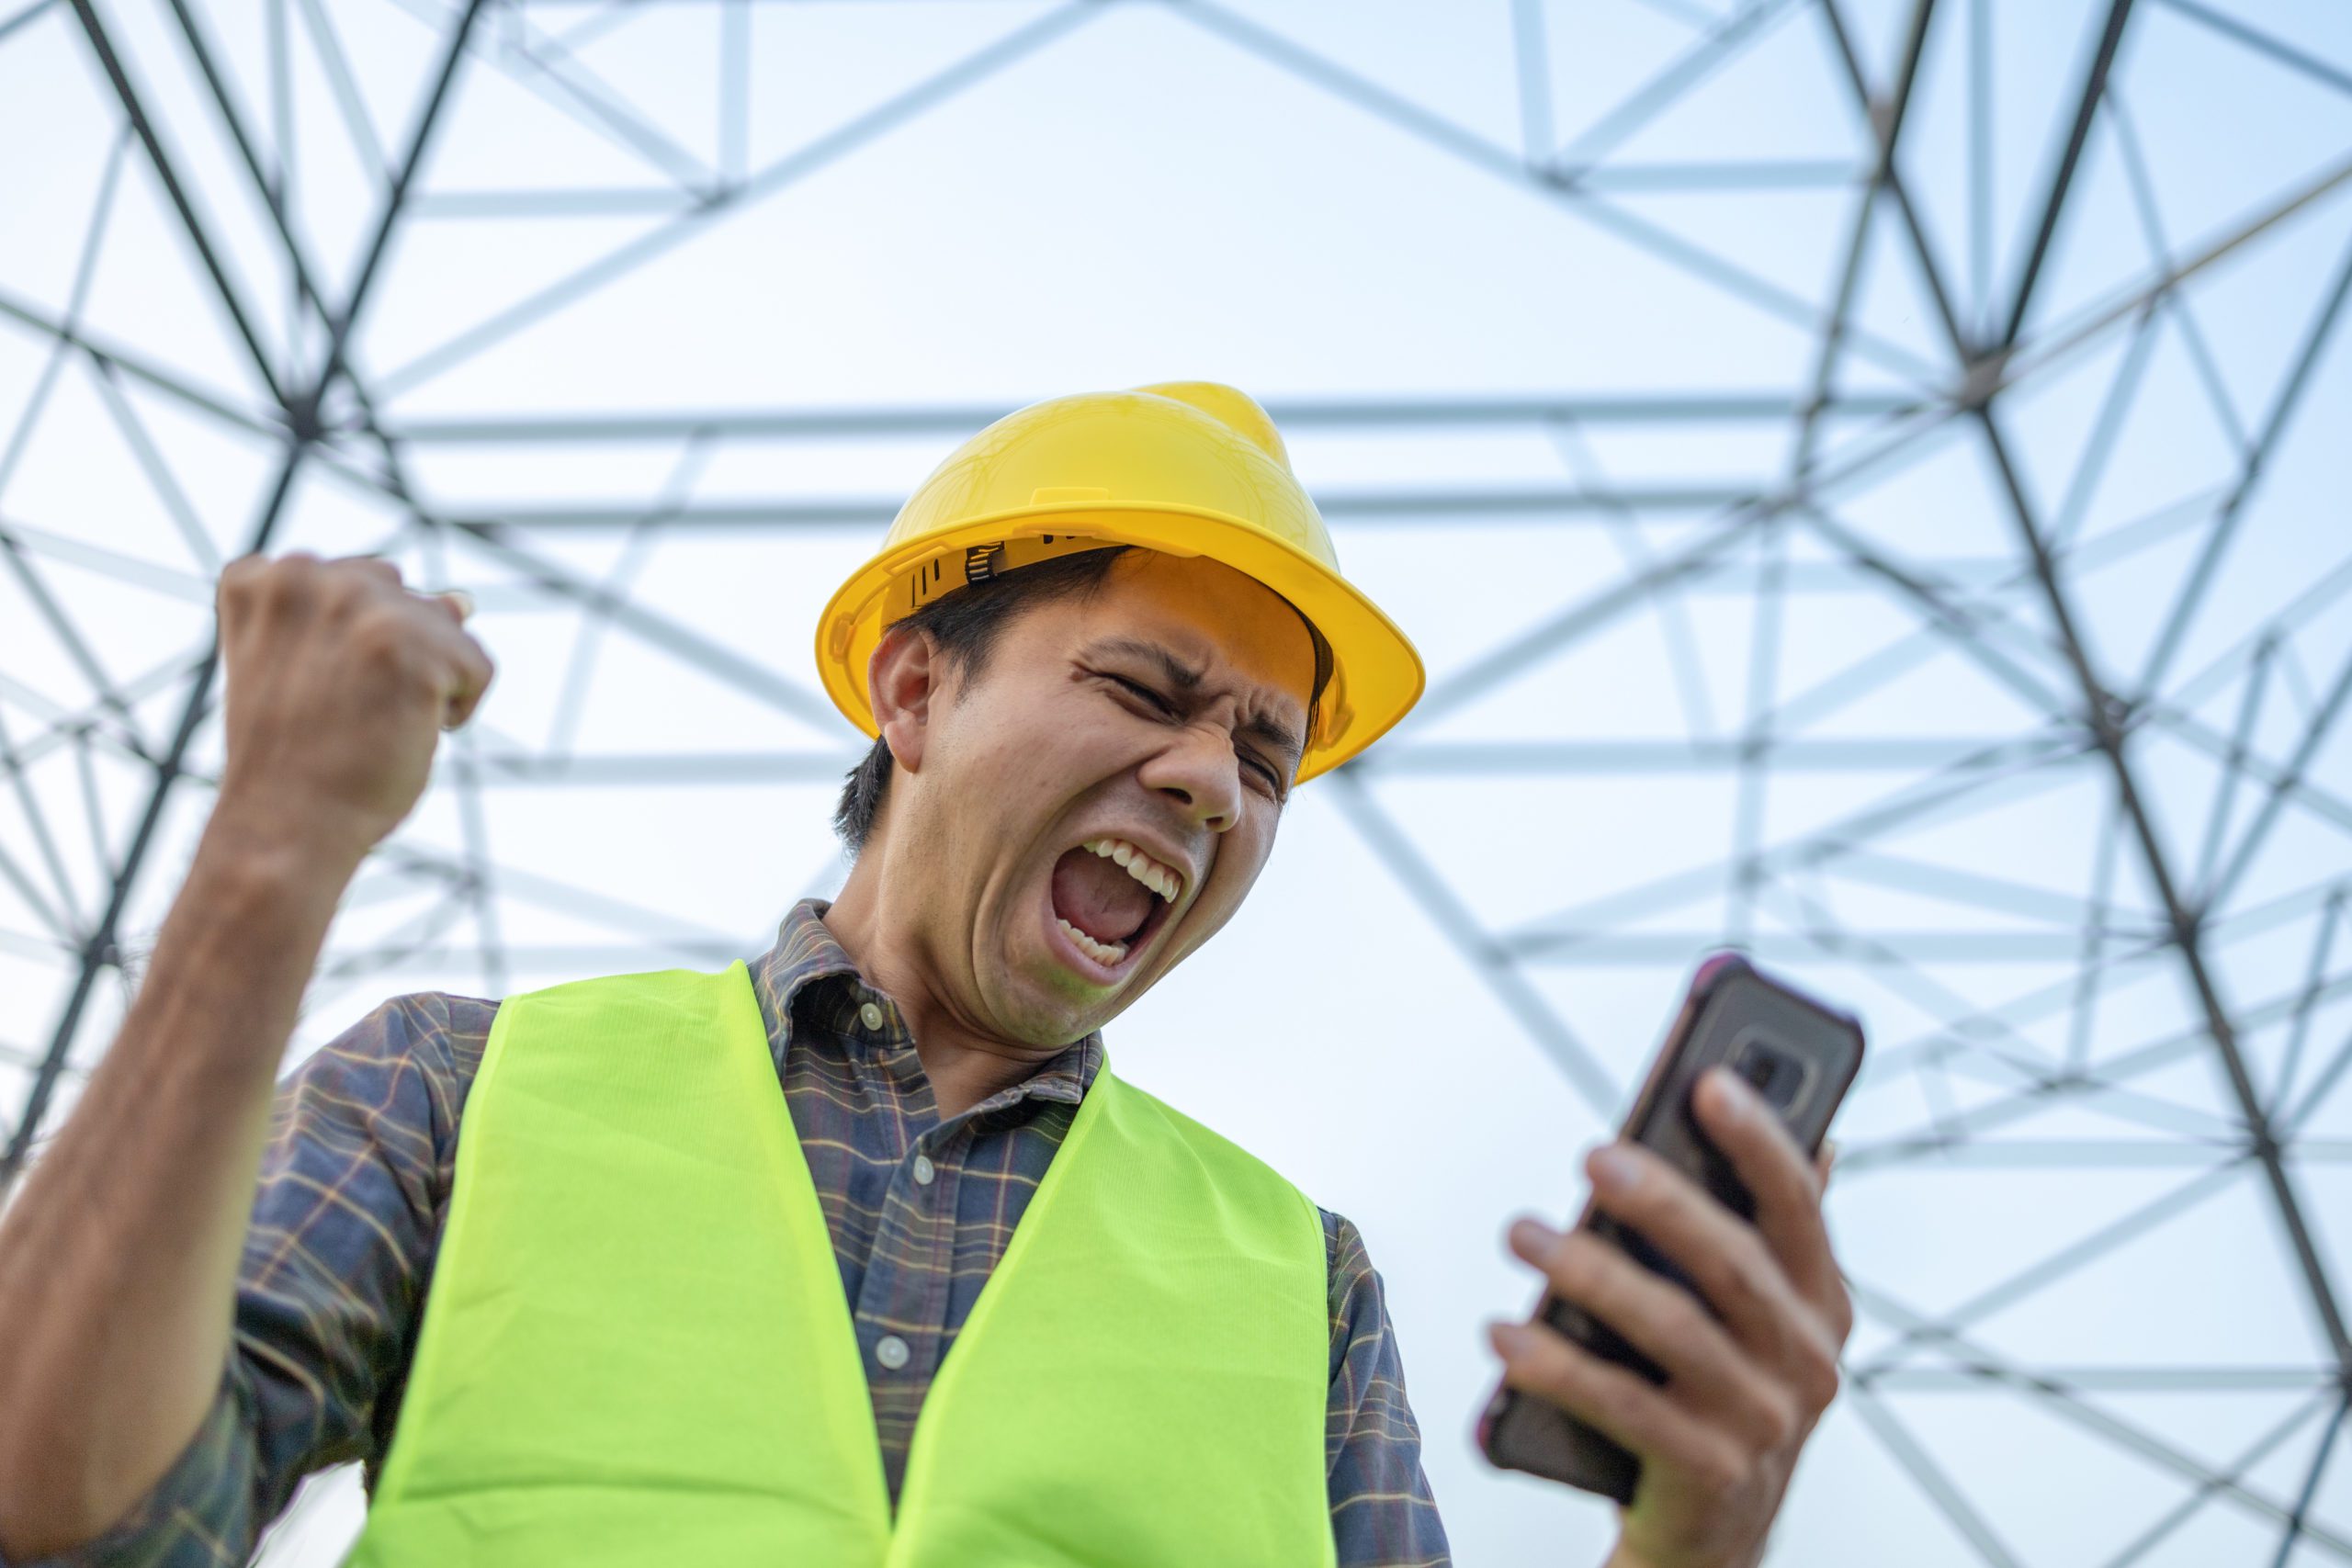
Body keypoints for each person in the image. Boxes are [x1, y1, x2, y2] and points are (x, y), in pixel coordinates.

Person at [0, 382, 1851, 1567]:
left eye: (1266, 756)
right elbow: (58, 1509)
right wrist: (268, 860)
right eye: (1142, 689)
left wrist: (1699, 1537)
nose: (1210, 775)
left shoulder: (1304, 1288)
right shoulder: (460, 1087)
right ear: (913, 688)